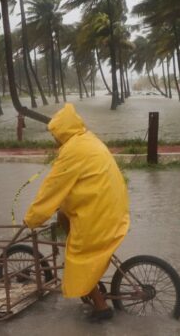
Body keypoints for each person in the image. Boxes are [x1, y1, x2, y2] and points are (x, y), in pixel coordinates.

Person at [23, 103, 130, 321]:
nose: (54, 139)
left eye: (55, 134)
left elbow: (51, 189)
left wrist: (32, 219)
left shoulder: (72, 151)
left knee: (77, 259)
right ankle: (92, 282)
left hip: (99, 214)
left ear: (62, 131)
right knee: (63, 215)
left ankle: (101, 308)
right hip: (113, 208)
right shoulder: (88, 139)